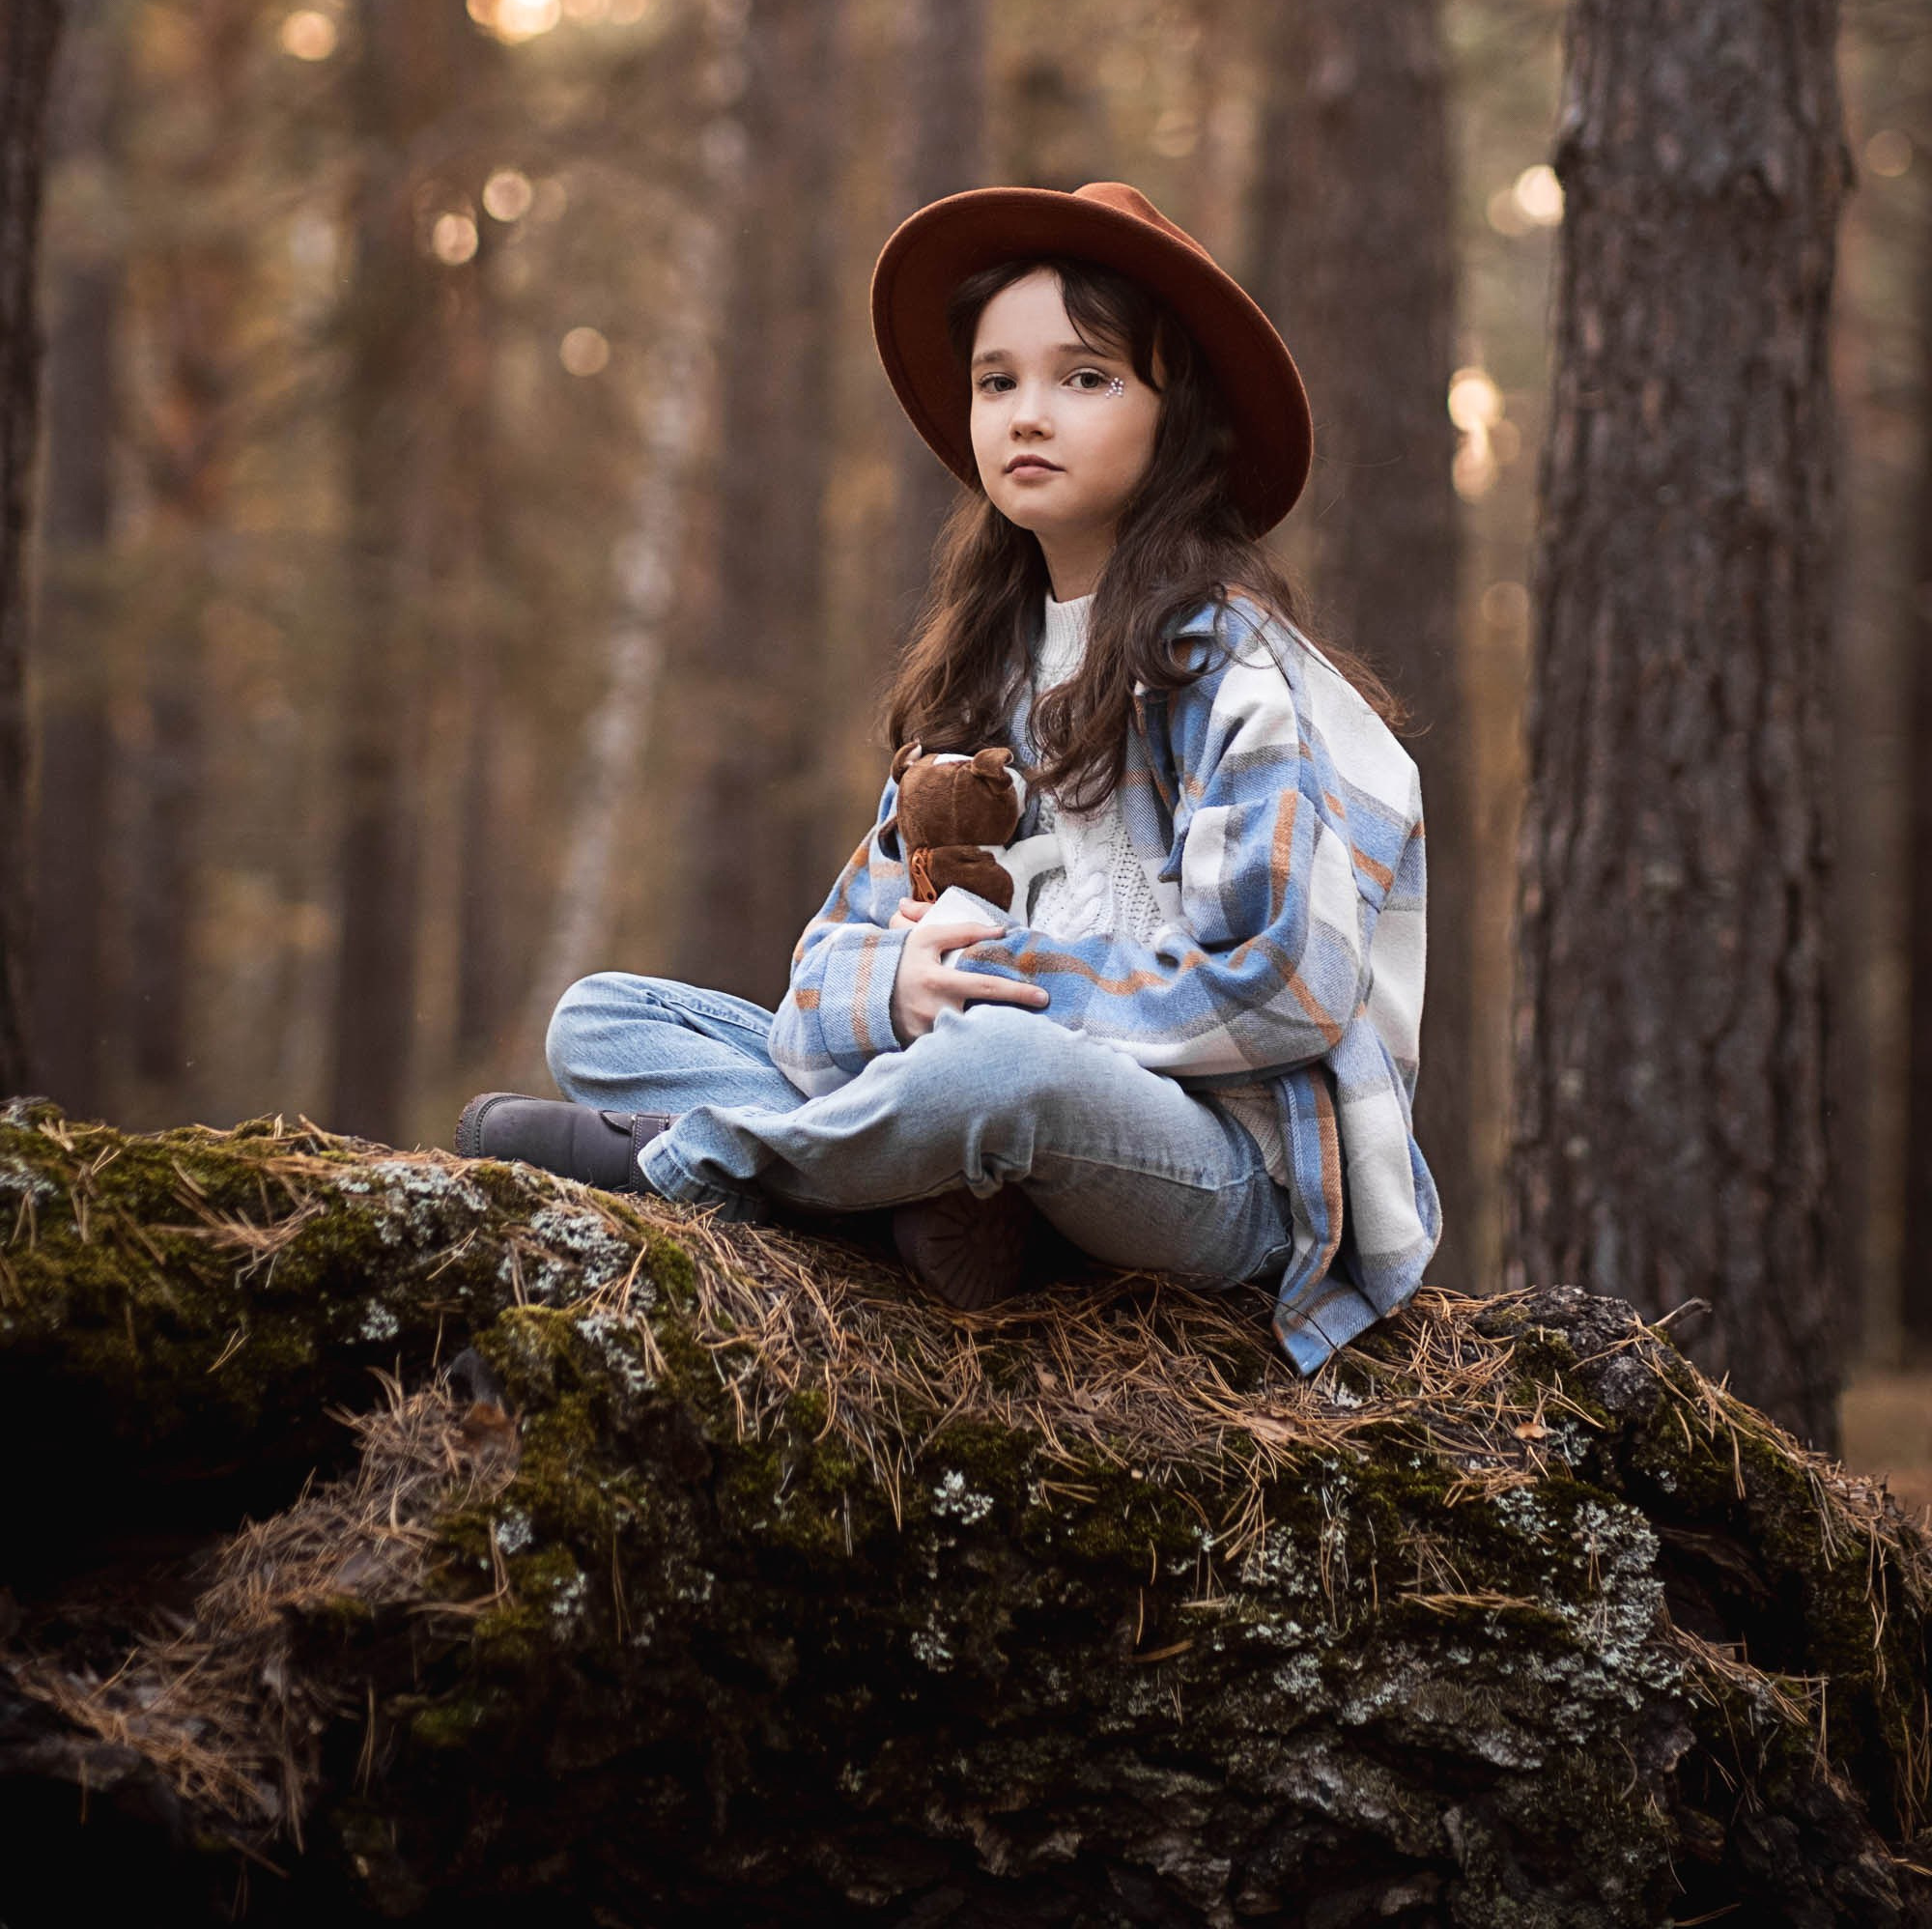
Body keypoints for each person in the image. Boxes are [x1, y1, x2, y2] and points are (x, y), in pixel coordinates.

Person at [459, 181, 1438, 1369]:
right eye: (996, 381)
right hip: (983, 1106)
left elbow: (1283, 986)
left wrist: (996, 988)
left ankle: (702, 1166)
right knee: (603, 1017)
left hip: (1217, 1174)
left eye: (1085, 378)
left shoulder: (1226, 673)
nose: (1029, 413)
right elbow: (825, 967)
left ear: (1177, 418)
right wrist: (902, 990)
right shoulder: (982, 683)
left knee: (998, 1068)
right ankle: (918, 1200)